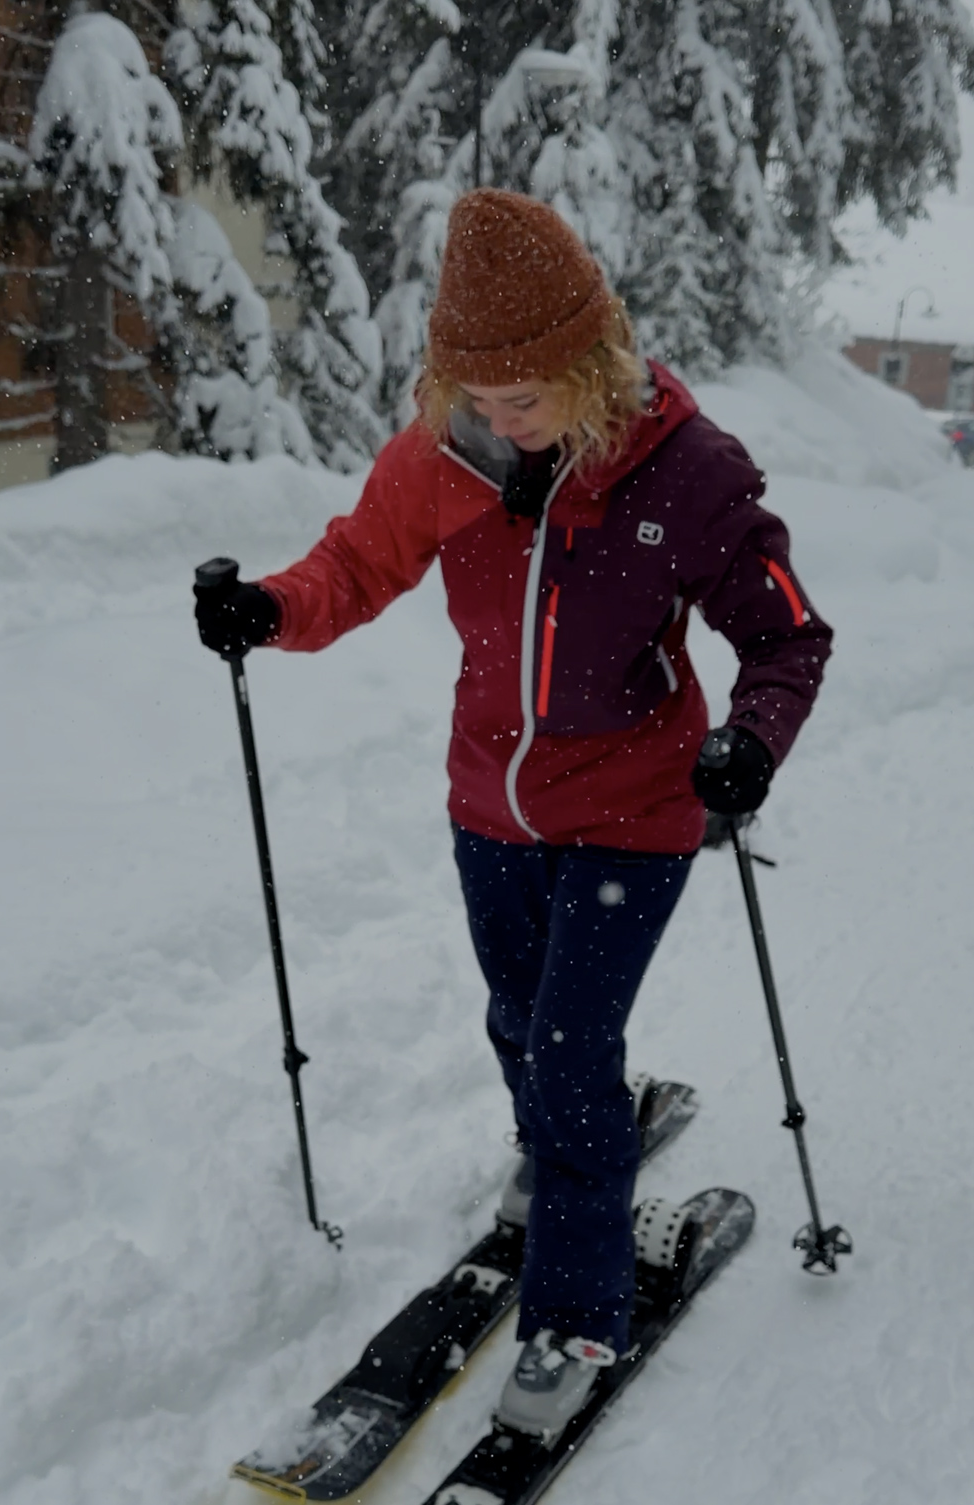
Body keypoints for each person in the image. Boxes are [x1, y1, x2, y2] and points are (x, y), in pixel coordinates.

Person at [194, 189, 832, 1440]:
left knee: (567, 1051)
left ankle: (578, 1306)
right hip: (489, 803)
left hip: (637, 815)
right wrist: (270, 610)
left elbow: (784, 632)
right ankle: (557, 1145)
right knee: (515, 1012)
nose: (497, 423)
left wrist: (749, 743)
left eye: (524, 400)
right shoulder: (448, 449)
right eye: (477, 398)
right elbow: (359, 562)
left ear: (593, 364)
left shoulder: (685, 474)